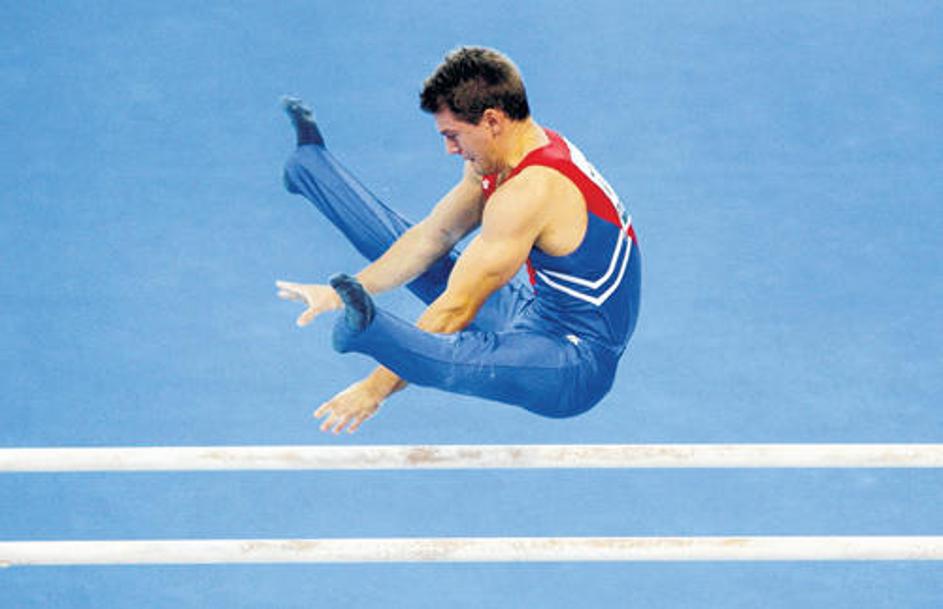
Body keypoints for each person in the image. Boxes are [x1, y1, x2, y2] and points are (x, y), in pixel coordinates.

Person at [277, 47, 640, 434]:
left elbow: (456, 310)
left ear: (492, 120)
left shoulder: (531, 191)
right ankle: (308, 166)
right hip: (537, 314)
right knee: (423, 248)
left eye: (453, 135)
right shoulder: (510, 153)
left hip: (574, 364)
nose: (450, 149)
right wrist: (342, 292)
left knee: (461, 355)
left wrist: (374, 388)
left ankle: (369, 331)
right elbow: (433, 237)